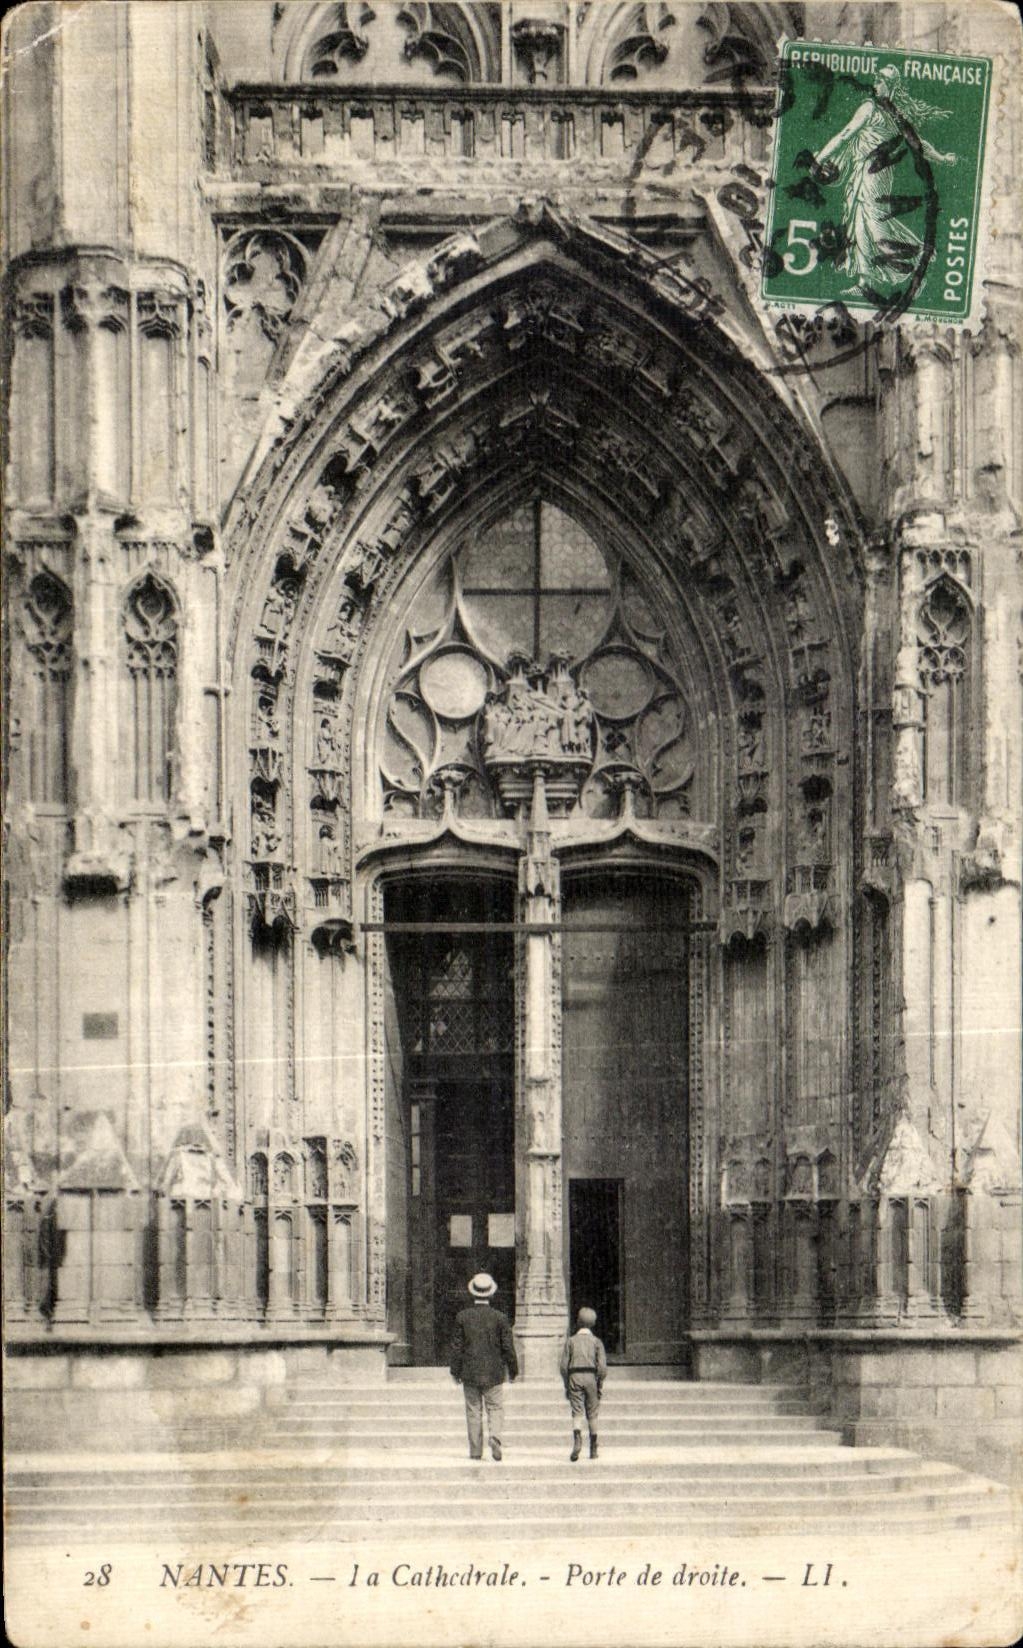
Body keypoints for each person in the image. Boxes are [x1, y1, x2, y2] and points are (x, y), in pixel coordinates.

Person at [809, 64, 956, 294]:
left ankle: (912, 268)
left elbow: (846, 134)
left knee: (875, 225)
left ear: (890, 86)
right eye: (875, 79)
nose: (875, 84)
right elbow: (919, 145)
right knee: (859, 223)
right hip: (866, 171)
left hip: (874, 172)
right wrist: (943, 158)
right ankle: (865, 282)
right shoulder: (891, 114)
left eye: (880, 81)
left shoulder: (875, 109)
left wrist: (818, 159)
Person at [449, 1273, 518, 1461]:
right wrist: (513, 1371)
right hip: (494, 1372)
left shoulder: (462, 1317)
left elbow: (456, 1348)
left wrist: (455, 1371)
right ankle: (495, 1436)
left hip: (470, 1372)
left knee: (473, 1410)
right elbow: (508, 1348)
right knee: (495, 1408)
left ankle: (475, 1451)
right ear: (491, 1294)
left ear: (473, 1293)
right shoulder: (500, 1318)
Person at [560, 1306, 607, 1461]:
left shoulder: (570, 1341)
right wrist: (599, 1383)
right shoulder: (597, 1342)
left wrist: (567, 1384)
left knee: (577, 1411)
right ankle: (593, 1447)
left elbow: (563, 1366)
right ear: (593, 1324)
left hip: (575, 1376)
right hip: (591, 1377)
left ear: (578, 1322)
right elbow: (602, 1367)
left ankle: (577, 1440)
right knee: (592, 1413)